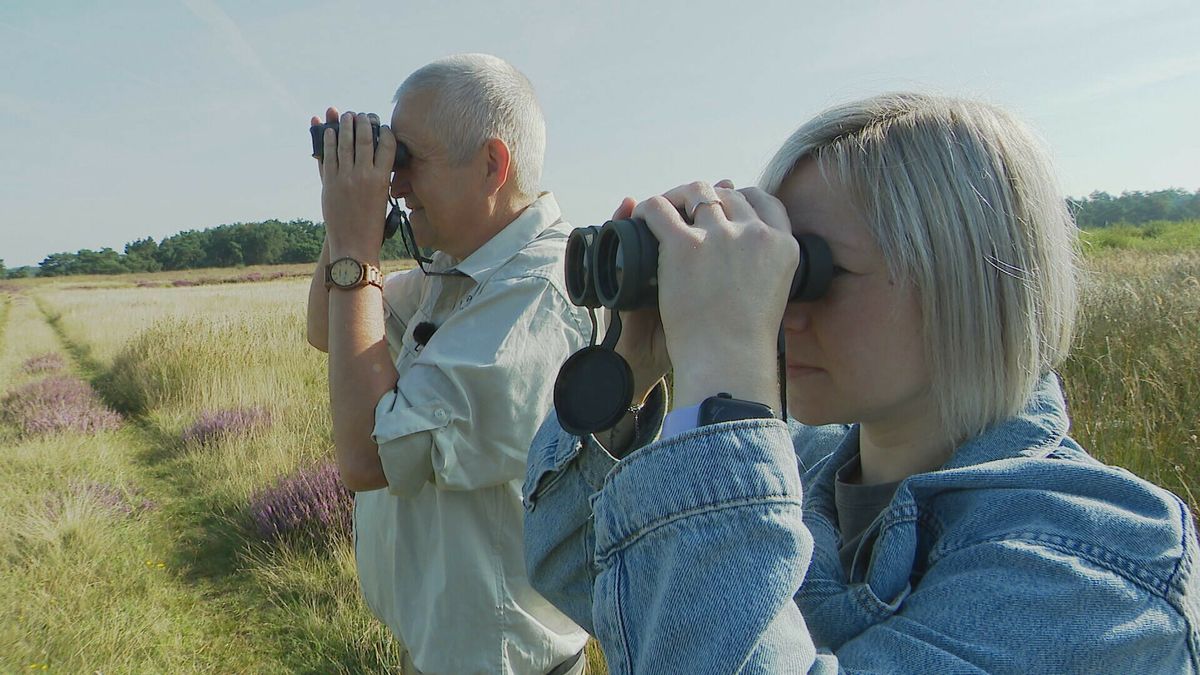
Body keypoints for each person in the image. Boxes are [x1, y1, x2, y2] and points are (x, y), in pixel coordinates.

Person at [522, 92, 1200, 673]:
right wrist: (638, 362)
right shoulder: (807, 462)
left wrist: (726, 371)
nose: (776, 308)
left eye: (805, 270)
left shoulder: (1096, 565)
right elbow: (578, 563)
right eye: (770, 262)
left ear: (967, 283)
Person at [306, 53, 589, 674]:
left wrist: (356, 244)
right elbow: (330, 331)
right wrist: (347, 211)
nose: (396, 182)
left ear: (491, 165)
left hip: (503, 662)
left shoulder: (538, 296)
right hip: (445, 650)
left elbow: (368, 457)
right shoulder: (462, 269)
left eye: (407, 160)